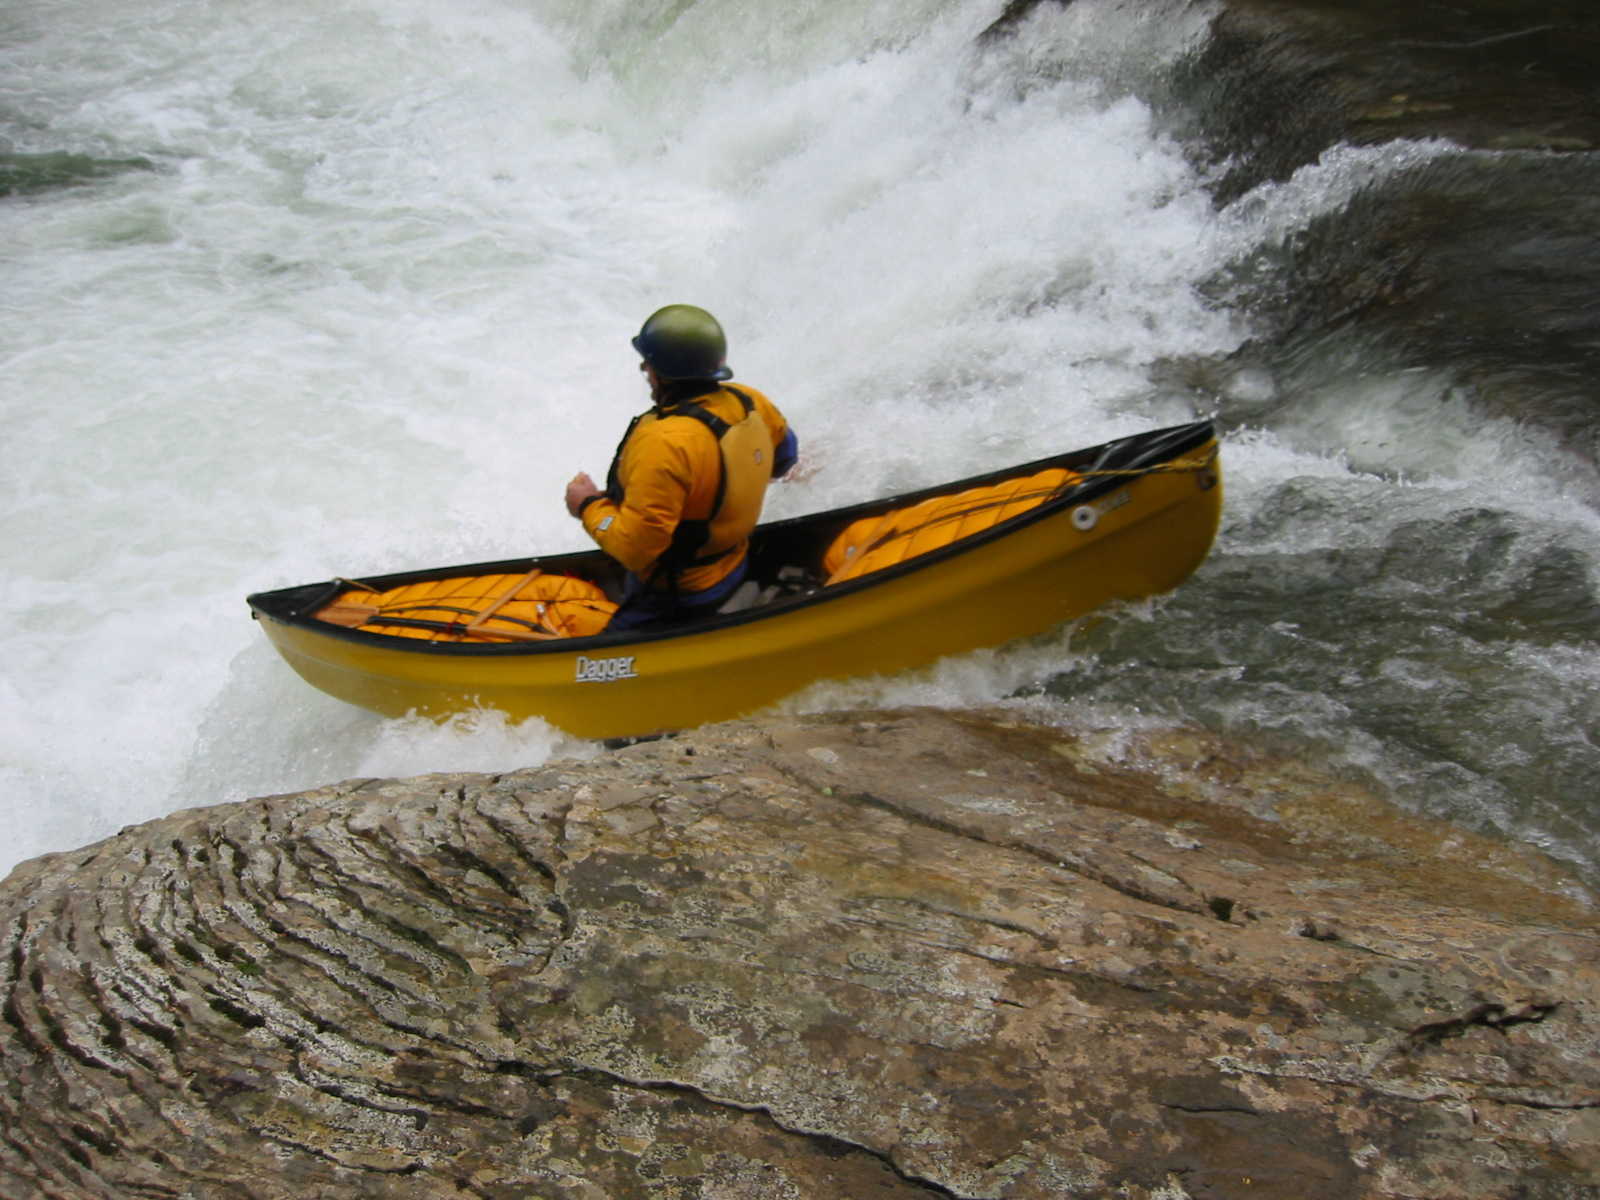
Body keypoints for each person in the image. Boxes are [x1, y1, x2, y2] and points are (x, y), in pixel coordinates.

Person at [565, 304, 799, 631]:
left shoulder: (664, 442)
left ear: (660, 372)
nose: (644, 368)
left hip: (679, 595)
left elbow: (637, 550)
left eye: (647, 363)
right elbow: (784, 459)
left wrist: (587, 505)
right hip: (734, 561)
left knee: (608, 648)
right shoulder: (748, 401)